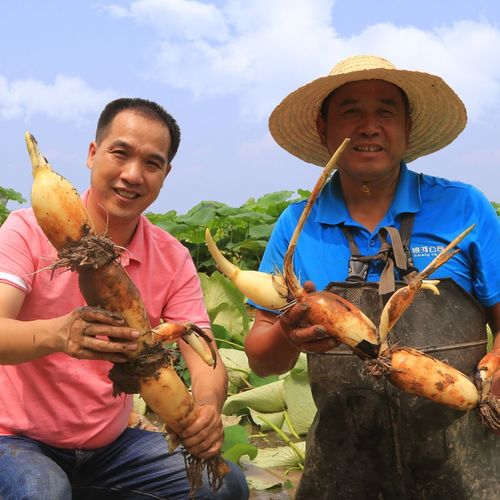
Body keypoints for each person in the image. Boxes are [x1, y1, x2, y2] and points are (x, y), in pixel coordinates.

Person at [244, 55, 500, 499]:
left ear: (407, 126)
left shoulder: (464, 207)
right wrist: (287, 330)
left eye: (385, 111)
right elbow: (263, 361)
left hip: (465, 463)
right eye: (351, 112)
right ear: (324, 129)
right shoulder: (296, 225)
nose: (369, 126)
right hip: (344, 468)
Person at [0, 98, 249, 500]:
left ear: (165, 174)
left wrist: (206, 407)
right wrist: (58, 334)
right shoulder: (26, 230)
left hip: (109, 447)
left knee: (224, 487)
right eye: (120, 153)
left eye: (152, 163)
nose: (133, 175)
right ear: (92, 154)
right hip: (14, 439)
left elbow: (204, 351)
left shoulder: (171, 256)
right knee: (42, 491)